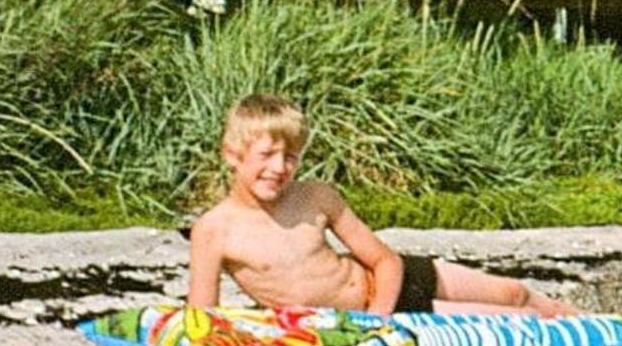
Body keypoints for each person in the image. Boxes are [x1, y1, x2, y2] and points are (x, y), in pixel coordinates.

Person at [187, 94, 577, 317]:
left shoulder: (317, 196)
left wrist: (378, 319)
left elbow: (386, 261)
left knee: (514, 294)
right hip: (375, 317)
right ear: (233, 155)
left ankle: (581, 320)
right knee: (516, 320)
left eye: (291, 157)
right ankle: (566, 330)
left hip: (394, 287)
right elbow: (203, 316)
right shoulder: (215, 230)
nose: (279, 167)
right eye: (267, 154)